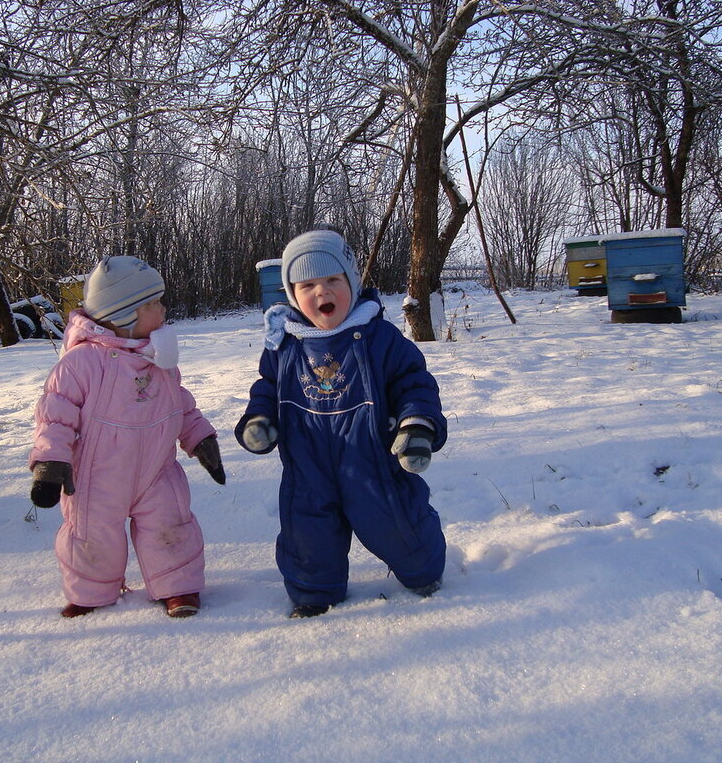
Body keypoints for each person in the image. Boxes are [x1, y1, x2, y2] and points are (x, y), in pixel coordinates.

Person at [235, 228, 447, 618]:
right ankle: (313, 591)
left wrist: (415, 426)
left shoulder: (379, 337)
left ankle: (423, 572)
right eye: (308, 284)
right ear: (292, 293)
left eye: (333, 280)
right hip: (306, 461)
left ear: (352, 281)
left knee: (395, 521)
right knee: (307, 529)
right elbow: (267, 386)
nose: (322, 292)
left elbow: (413, 383)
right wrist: (260, 419)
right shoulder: (284, 345)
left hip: (371, 459)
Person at [29, 256, 225, 619]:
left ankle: (178, 587)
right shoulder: (81, 362)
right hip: (96, 476)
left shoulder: (159, 358)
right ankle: (89, 591)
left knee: (171, 522)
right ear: (126, 314)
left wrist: (200, 439)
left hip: (156, 468)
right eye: (155, 302)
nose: (164, 308)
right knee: (91, 532)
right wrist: (51, 462)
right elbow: (55, 415)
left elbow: (179, 404)